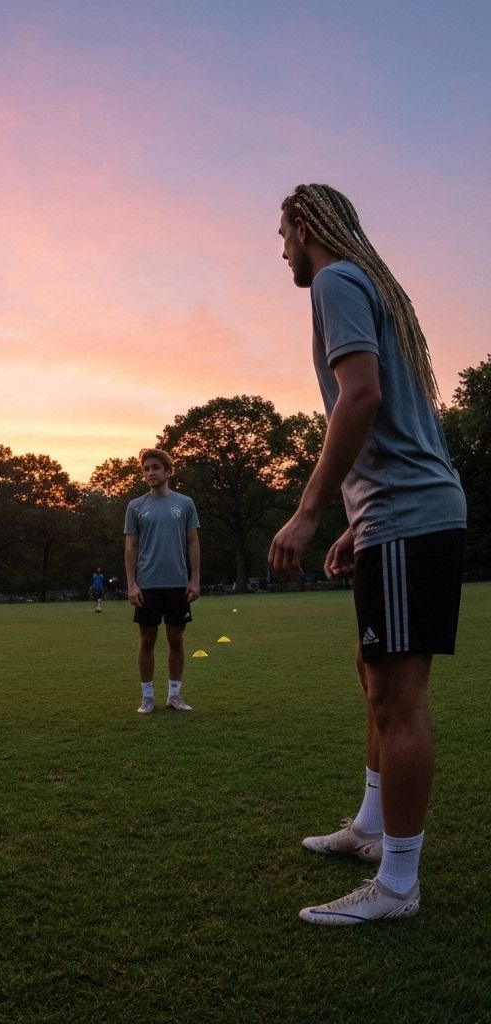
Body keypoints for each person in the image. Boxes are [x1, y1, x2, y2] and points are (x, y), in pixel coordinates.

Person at [271, 184, 466, 925]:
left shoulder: (334, 280)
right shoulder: (368, 284)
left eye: (282, 231)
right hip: (401, 511)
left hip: (410, 514)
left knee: (398, 698)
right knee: (373, 671)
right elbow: (408, 420)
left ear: (306, 225)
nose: (279, 247)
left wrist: (311, 511)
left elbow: (361, 398)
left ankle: (397, 886)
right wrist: (360, 519)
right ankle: (371, 824)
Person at [123, 449, 201, 715]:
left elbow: (193, 542)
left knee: (176, 638)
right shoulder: (135, 506)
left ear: (168, 471)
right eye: (146, 469)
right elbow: (131, 546)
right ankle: (147, 698)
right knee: (147, 640)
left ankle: (174, 696)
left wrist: (195, 579)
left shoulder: (186, 503)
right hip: (147, 584)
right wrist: (132, 583)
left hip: (177, 583)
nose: (150, 473)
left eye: (156, 468)